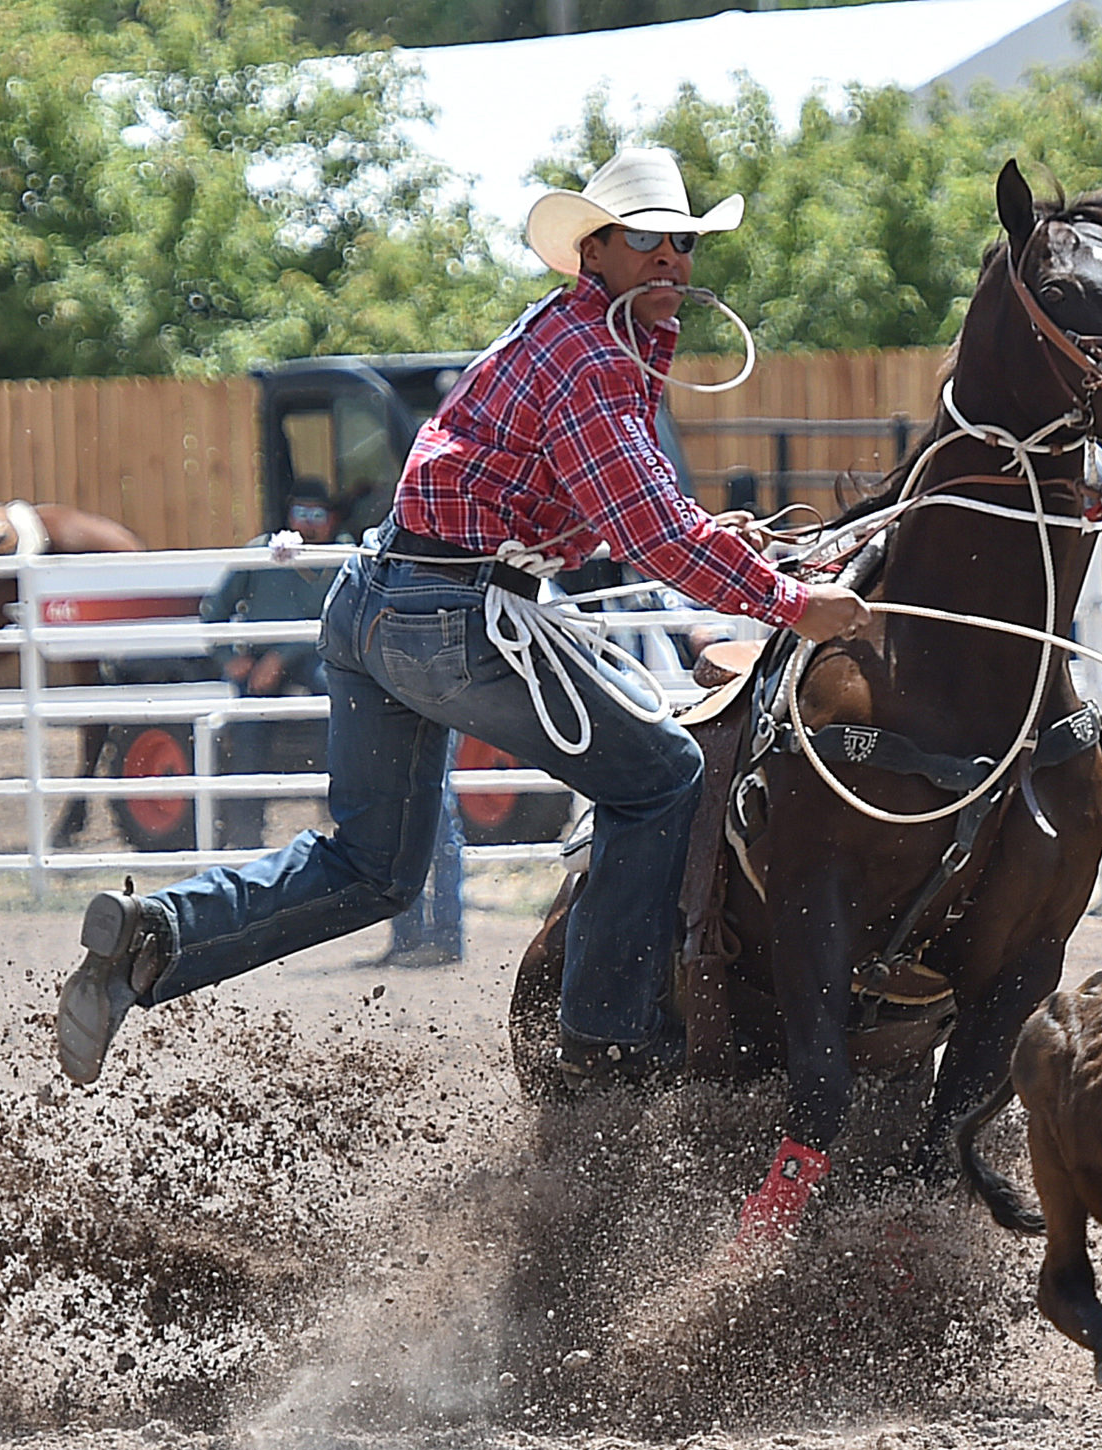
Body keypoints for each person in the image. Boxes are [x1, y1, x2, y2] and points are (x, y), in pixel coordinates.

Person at [56, 147, 867, 1231]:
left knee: (369, 867)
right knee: (664, 777)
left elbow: (616, 514)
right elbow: (645, 532)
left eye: (684, 242)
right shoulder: (591, 358)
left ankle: (155, 936)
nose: (672, 257)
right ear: (598, 251)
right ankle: (603, 1041)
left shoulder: (577, 340)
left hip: (380, 604)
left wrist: (713, 544)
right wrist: (789, 605)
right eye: (649, 239)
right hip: (451, 617)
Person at [199, 478, 339, 850]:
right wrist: (230, 658)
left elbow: (334, 620)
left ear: (330, 520)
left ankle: (339, 812)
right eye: (301, 514)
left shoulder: (341, 558)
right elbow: (213, 611)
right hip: (259, 661)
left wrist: (282, 655)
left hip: (315, 657)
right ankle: (245, 835)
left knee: (337, 697)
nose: (308, 523)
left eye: (317, 515)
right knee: (248, 726)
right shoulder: (261, 553)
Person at [370, 730, 466, 968]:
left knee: (430, 829)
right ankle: (419, 937)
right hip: (419, 713)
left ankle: (438, 938)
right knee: (416, 825)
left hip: (421, 715)